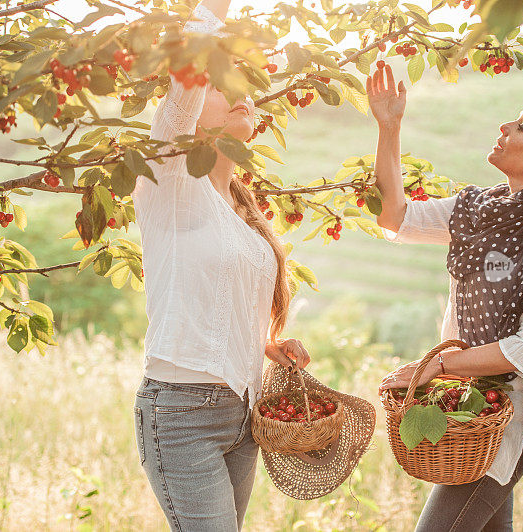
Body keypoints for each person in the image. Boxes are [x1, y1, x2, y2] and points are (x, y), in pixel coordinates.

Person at [370, 64, 523, 531]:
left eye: (522, 127)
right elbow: (394, 216)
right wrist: (389, 127)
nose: (504, 128)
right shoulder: (480, 209)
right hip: (471, 410)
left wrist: (438, 365)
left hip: (502, 418)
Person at [130, 1, 311, 530]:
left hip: (243, 412)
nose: (236, 94)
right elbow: (181, 90)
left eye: (244, 91)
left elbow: (220, 302)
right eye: (218, 85)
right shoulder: (170, 182)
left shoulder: (243, 210)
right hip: (182, 414)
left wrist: (267, 344)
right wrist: (211, 11)